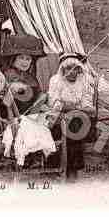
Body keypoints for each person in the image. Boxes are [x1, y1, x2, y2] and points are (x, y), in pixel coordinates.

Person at [45, 52, 95, 181]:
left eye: (75, 69)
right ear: (62, 69)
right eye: (68, 68)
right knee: (67, 127)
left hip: (78, 115)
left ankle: (73, 167)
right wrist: (68, 106)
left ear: (79, 69)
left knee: (77, 125)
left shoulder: (83, 81)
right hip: (59, 115)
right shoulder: (56, 80)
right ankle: (56, 164)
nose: (72, 72)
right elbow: (53, 102)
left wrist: (83, 108)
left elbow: (86, 102)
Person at [0, 34, 46, 116]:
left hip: (31, 116)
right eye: (21, 58)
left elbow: (37, 98)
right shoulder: (4, 75)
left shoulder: (31, 78)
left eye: (28, 59)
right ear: (13, 59)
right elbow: (3, 103)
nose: (25, 62)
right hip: (11, 119)